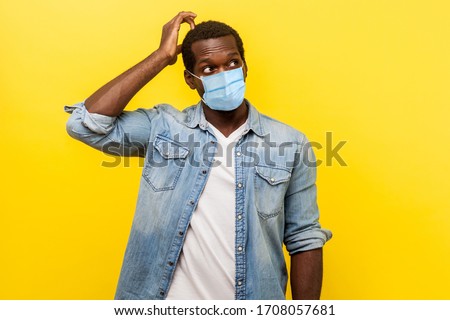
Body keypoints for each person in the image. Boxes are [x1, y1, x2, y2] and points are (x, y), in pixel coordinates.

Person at [65, 11, 332, 300]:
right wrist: (161, 56)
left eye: (232, 63)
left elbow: (304, 237)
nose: (224, 74)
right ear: (190, 80)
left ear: (245, 68)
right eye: (208, 69)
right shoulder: (163, 127)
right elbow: (85, 125)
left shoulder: (290, 142)